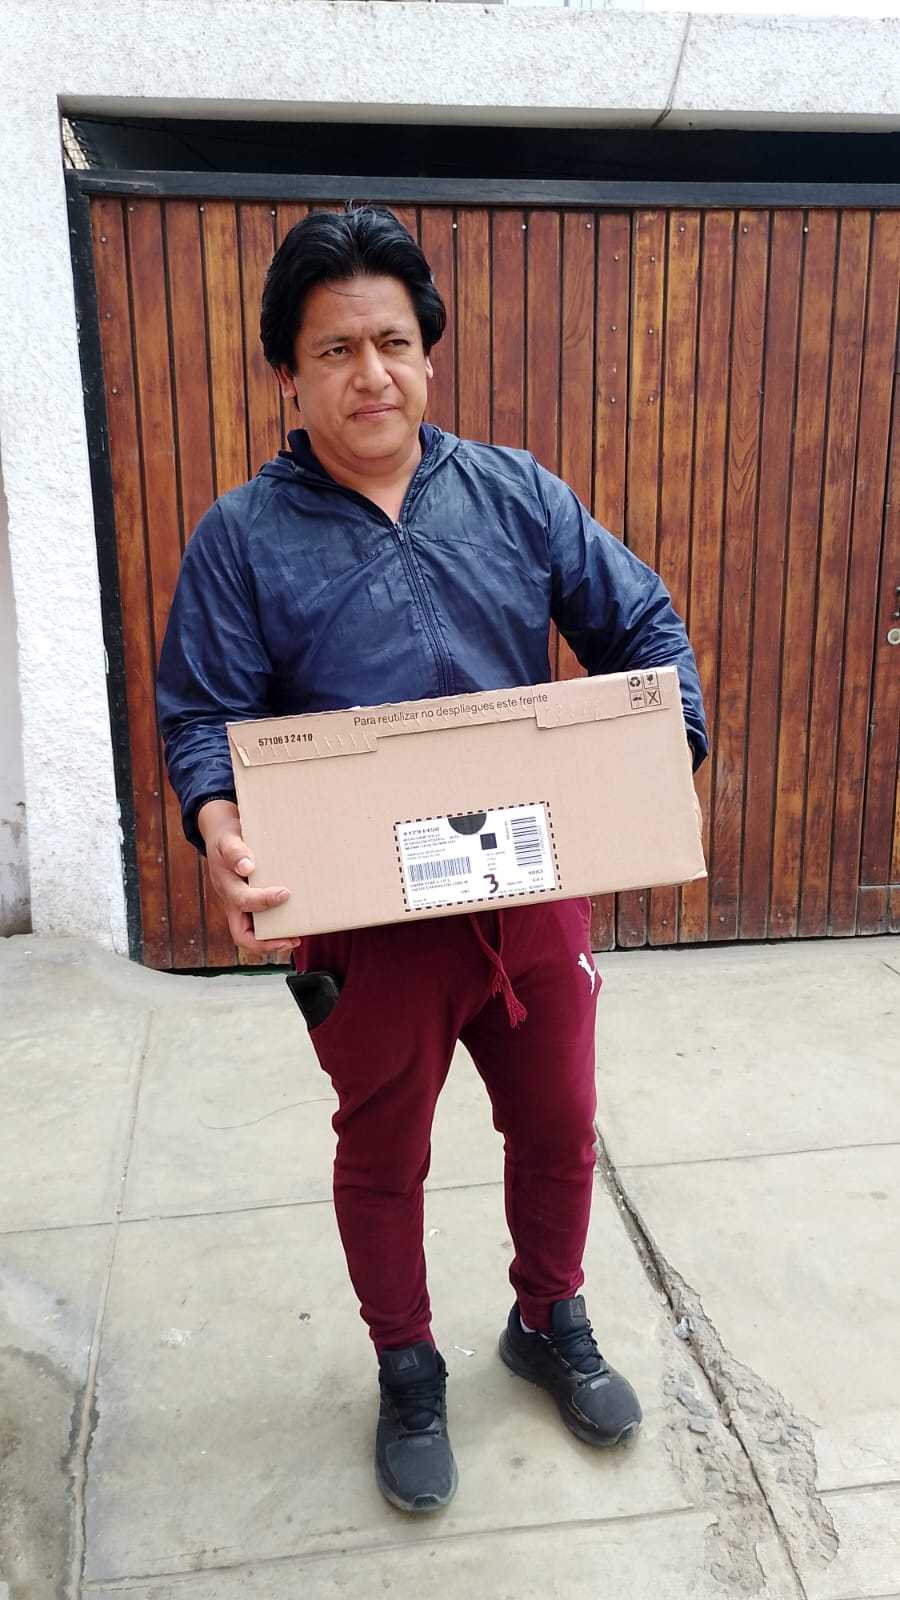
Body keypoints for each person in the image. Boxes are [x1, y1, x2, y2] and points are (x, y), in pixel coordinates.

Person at [156, 205, 707, 1516]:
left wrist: (664, 743)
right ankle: (407, 1364)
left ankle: (547, 1317)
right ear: (287, 373)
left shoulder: (515, 493)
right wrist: (217, 822)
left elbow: (640, 623)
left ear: (428, 353)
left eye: (394, 342)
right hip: (368, 924)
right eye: (335, 349)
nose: (372, 374)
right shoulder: (242, 537)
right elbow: (202, 718)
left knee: (559, 1120)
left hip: (526, 891)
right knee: (383, 1148)